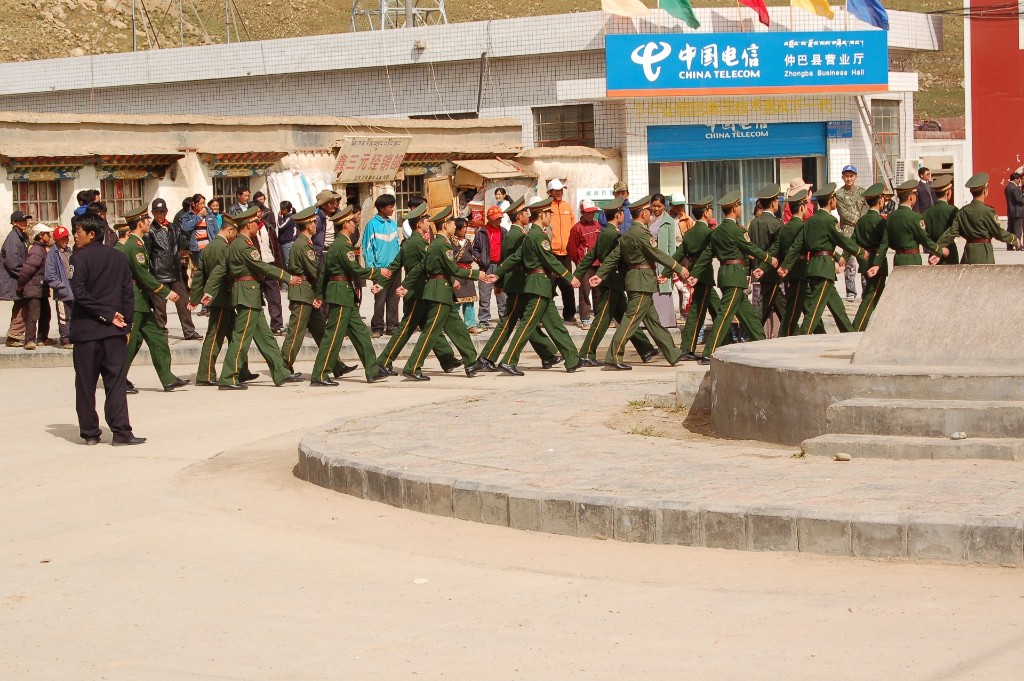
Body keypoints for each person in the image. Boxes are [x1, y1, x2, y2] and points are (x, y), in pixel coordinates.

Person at [202, 207, 303, 390]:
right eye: (257, 222)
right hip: (247, 294)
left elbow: (220, 269)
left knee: (266, 338)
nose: (259, 225)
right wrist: (288, 277)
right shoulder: (244, 245)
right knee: (241, 339)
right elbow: (263, 267)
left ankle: (281, 372)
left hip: (249, 295)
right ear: (249, 225)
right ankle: (228, 377)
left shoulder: (237, 244)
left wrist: (209, 291)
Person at [69, 213, 144, 446]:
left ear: (92, 234)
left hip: (89, 332)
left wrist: (109, 315)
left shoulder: (78, 258)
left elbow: (79, 294)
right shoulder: (118, 257)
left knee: (86, 385)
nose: (75, 235)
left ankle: (90, 432)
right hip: (114, 331)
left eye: (78, 231)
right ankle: (121, 432)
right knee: (115, 384)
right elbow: (127, 295)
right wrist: (125, 322)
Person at [591, 195, 687, 369]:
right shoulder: (641, 234)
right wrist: (678, 268)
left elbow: (614, 256)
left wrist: (601, 273)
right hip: (642, 282)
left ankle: (672, 353)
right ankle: (613, 357)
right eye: (649, 211)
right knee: (630, 320)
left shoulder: (628, 234)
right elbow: (658, 254)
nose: (651, 214)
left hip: (639, 281)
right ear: (643, 213)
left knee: (653, 321)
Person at [491, 197, 579, 376]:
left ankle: (572, 358)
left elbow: (516, 258)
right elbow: (550, 260)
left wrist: (498, 273)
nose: (550, 218)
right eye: (549, 215)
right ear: (543, 215)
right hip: (539, 285)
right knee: (527, 326)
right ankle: (509, 361)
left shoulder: (531, 235)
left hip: (541, 286)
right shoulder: (538, 236)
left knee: (556, 325)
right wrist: (569, 277)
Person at [689, 191, 778, 364]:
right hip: (735, 277)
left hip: (725, 276)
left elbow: (707, 255)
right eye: (739, 206)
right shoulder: (736, 231)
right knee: (724, 315)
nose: (740, 209)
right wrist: (769, 259)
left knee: (749, 316)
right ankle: (709, 351)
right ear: (735, 208)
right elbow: (751, 248)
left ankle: (762, 344)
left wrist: (694, 274)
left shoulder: (717, 232)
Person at [308, 207, 390, 386]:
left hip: (344, 295)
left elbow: (323, 272)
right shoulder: (342, 245)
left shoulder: (339, 244)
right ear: (345, 224)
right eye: (353, 222)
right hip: (340, 295)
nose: (355, 225)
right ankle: (320, 375)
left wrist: (320, 294)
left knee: (361, 333)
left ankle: (372, 369)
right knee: (333, 336)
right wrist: (377, 272)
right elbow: (355, 269)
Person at [476, 198, 560, 372]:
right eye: (526, 213)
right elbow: (513, 261)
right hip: (519, 284)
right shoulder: (518, 235)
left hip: (518, 284)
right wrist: (500, 281)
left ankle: (547, 355)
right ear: (519, 215)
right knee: (510, 322)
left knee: (527, 322)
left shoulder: (513, 233)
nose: (528, 216)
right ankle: (486, 358)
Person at [377, 203, 460, 375]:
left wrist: (380, 282)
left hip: (419, 291)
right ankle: (384, 361)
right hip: (417, 291)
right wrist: (452, 279)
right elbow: (435, 263)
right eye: (426, 221)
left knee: (431, 327)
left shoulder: (409, 242)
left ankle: (447, 359)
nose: (428, 224)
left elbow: (394, 265)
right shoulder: (420, 244)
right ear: (419, 224)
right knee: (406, 329)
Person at [117, 205, 191, 393]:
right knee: (130, 343)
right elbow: (142, 274)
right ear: (140, 223)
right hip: (133, 301)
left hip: (141, 300)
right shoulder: (134, 245)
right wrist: (165, 292)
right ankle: (117, 380)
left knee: (157, 339)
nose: (149, 222)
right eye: (146, 220)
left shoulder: (138, 243)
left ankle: (167, 378)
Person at [577, 198, 657, 366]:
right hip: (612, 281)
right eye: (622, 213)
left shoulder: (606, 232)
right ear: (619, 214)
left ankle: (645, 348)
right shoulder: (612, 234)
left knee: (627, 317)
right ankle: (586, 353)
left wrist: (576, 274)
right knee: (602, 320)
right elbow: (613, 259)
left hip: (614, 282)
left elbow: (591, 255)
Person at [278, 206, 356, 378]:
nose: (316, 225)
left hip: (308, 292)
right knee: (295, 334)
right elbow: (315, 270)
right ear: (308, 226)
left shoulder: (305, 243)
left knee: (321, 331)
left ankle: (336, 365)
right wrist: (326, 286)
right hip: (302, 293)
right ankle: (283, 369)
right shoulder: (303, 245)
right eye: (314, 222)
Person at [781, 183, 865, 336]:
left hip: (813, 266)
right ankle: (803, 335)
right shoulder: (829, 221)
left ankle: (850, 334)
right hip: (824, 268)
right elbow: (841, 240)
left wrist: (786, 265)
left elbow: (797, 244)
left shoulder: (810, 221)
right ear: (831, 200)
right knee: (815, 309)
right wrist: (859, 251)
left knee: (838, 307)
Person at [188, 215, 256, 386]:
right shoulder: (224, 248)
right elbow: (223, 272)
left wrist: (194, 298)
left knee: (235, 336)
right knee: (215, 336)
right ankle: (205, 375)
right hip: (221, 298)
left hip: (219, 298)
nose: (235, 237)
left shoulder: (209, 247)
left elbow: (199, 275)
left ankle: (241, 370)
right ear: (230, 230)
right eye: (234, 233)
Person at [668, 196, 721, 359]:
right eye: (710, 209)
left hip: (695, 273)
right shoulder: (708, 233)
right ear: (706, 213)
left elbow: (678, 253)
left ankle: (724, 341)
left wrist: (666, 271)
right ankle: (687, 347)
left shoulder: (689, 233)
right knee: (697, 312)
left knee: (718, 310)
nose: (712, 212)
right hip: (703, 274)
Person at [933, 173, 1020, 263]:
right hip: (984, 254)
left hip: (968, 253)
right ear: (985, 190)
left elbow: (951, 232)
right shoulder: (987, 211)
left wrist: (936, 249)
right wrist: (1014, 240)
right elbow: (998, 232)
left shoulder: (963, 211)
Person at [146, 198, 200, 340]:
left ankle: (189, 331)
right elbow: (148, 254)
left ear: (166, 212)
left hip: (175, 271)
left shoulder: (173, 228)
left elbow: (181, 244)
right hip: (159, 273)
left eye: (162, 212)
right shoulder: (150, 231)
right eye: (157, 212)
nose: (159, 215)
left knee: (183, 302)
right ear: (153, 213)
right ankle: (161, 333)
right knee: (160, 307)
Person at [746, 184, 786, 336]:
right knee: (763, 307)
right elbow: (779, 248)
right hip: (772, 271)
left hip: (758, 269)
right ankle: (753, 334)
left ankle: (791, 332)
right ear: (774, 202)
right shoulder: (776, 223)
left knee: (777, 305)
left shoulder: (754, 223)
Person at [851, 183, 891, 331]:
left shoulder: (861, 220)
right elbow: (884, 243)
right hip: (877, 262)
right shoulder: (881, 221)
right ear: (880, 200)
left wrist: (843, 258)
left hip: (865, 261)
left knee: (875, 294)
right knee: (870, 295)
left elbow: (852, 241)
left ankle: (877, 326)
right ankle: (858, 326)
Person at [877, 179, 943, 267]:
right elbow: (924, 239)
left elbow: (884, 243)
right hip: (912, 259)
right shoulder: (915, 217)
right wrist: (939, 250)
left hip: (897, 259)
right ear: (911, 197)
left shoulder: (890, 217)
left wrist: (876, 264)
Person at [363, 194, 402, 337]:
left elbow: (397, 246)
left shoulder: (392, 224)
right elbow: (367, 249)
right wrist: (373, 271)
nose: (393, 209)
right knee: (380, 299)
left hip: (395, 268)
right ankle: (377, 327)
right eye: (390, 206)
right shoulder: (372, 225)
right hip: (380, 269)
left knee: (394, 299)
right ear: (381, 208)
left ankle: (392, 326)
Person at [567, 199, 604, 331]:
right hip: (584, 265)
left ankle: (599, 317)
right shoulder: (576, 228)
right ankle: (585, 319)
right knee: (584, 292)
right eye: (588, 212)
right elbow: (571, 249)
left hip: (598, 263)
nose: (591, 215)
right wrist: (579, 262)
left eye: (593, 212)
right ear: (582, 212)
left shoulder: (598, 226)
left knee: (599, 292)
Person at [16, 223, 54, 350]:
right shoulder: (37, 251)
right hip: (34, 288)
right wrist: (21, 285)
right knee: (33, 315)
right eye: (47, 234)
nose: (49, 236)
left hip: (41, 288)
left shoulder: (42, 249)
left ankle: (42, 338)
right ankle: (29, 340)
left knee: (46, 314)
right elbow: (27, 270)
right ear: (41, 235)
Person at [545, 179, 578, 325]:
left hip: (566, 253)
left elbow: (573, 228)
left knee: (567, 284)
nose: (559, 193)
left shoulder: (567, 207)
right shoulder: (546, 208)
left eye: (561, 190)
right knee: (549, 285)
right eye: (556, 191)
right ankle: (546, 315)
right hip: (551, 253)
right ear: (550, 192)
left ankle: (569, 315)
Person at [835, 165, 868, 302]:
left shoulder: (862, 192)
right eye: (846, 176)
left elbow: (866, 208)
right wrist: (858, 221)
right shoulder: (839, 194)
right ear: (843, 177)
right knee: (850, 263)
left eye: (851, 176)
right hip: (848, 232)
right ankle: (850, 291)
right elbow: (843, 213)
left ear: (856, 177)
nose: (849, 178)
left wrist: (862, 221)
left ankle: (866, 289)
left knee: (864, 260)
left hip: (862, 232)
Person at [648, 193, 680, 329]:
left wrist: (672, 266)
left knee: (663, 290)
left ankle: (666, 321)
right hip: (649, 260)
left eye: (659, 206)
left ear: (664, 206)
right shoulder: (646, 219)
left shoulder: (669, 221)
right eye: (654, 206)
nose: (656, 209)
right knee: (651, 289)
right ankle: (651, 321)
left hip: (662, 260)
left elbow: (672, 246)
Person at [253, 202, 285, 334]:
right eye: (256, 212)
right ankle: (257, 327)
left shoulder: (268, 227)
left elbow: (276, 249)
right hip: (256, 268)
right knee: (255, 299)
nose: (259, 214)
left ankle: (277, 325)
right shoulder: (246, 231)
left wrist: (279, 269)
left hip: (270, 264)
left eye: (260, 211)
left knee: (274, 297)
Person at [1, 210, 32, 347]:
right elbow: (13, 263)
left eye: (25, 220)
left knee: (21, 303)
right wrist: (26, 275)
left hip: (17, 277)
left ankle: (14, 334)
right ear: (14, 223)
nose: (24, 223)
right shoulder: (13, 238)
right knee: (23, 304)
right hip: (13, 278)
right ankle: (14, 335)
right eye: (21, 221)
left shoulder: (22, 236)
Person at [474, 205, 506, 330]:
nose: (498, 221)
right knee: (485, 294)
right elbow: (475, 249)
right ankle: (483, 320)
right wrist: (480, 260)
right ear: (489, 218)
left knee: (502, 294)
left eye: (500, 218)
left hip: (500, 266)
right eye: (496, 218)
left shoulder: (504, 231)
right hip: (486, 266)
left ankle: (504, 318)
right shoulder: (481, 232)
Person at [45, 224, 75, 349]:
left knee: (74, 315)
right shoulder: (52, 254)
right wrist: (60, 286)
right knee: (64, 316)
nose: (65, 241)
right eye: (62, 239)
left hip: (73, 288)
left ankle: (73, 337)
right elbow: (50, 275)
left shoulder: (69, 251)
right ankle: (65, 339)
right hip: (63, 290)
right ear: (56, 240)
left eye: (66, 238)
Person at [451, 217, 480, 332]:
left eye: (465, 227)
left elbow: (472, 254)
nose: (464, 229)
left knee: (469, 301)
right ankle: (455, 325)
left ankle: (470, 324)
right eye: (462, 227)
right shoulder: (450, 242)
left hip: (468, 273)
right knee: (457, 301)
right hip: (457, 272)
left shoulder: (467, 241)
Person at [923, 175, 959, 265]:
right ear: (948, 192)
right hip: (950, 252)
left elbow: (924, 236)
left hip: (934, 252)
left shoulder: (927, 212)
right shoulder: (953, 210)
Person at [179, 193, 208, 266]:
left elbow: (215, 230)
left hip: (209, 246)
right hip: (197, 248)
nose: (203, 206)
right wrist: (199, 216)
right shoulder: (188, 215)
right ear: (194, 204)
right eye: (200, 203)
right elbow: (186, 228)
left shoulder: (209, 214)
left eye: (204, 203)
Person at [313, 189, 342, 260]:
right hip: (322, 253)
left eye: (334, 203)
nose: (334, 205)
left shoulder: (338, 217)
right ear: (323, 206)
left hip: (335, 252)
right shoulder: (317, 219)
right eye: (330, 203)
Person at [1003, 172, 1023, 251]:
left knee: (1010, 229)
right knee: (1017, 230)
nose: (1019, 181)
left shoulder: (1007, 187)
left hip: (1010, 211)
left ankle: (1009, 245)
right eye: (1019, 180)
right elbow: (1019, 199)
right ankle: (1018, 245)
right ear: (1016, 179)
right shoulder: (1015, 188)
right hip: (1018, 212)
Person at [276, 200, 298, 264]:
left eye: (281, 209)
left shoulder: (290, 218)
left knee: (288, 263)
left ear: (285, 210)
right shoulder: (286, 217)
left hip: (287, 243)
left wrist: (279, 218)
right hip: (284, 243)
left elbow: (280, 226)